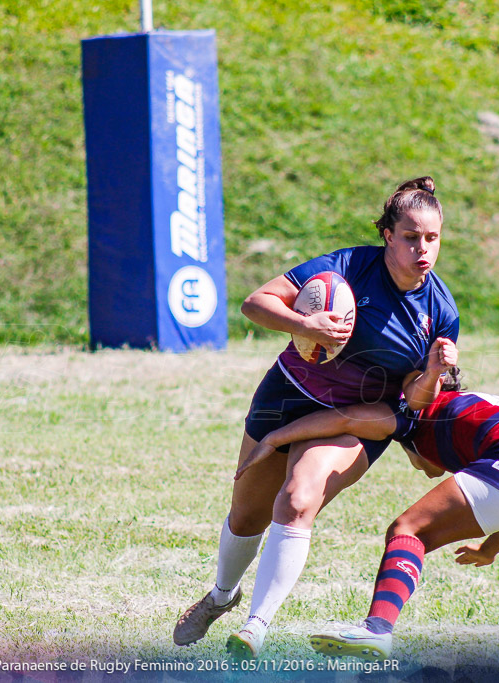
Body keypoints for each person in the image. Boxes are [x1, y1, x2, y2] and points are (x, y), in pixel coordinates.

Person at [172, 177, 459, 659]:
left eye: (432, 238)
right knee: (246, 515)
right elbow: (255, 303)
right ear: (387, 235)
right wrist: (304, 324)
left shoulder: (440, 310)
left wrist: (432, 373)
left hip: (354, 417)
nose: (422, 249)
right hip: (289, 393)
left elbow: (415, 397)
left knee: (297, 497)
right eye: (411, 237)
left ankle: (255, 627)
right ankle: (222, 595)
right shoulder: (347, 266)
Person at [237, 339, 499, 664]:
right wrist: (490, 549)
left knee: (408, 529)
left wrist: (276, 436)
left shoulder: (412, 414)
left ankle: (377, 628)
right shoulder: (478, 404)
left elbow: (343, 418)